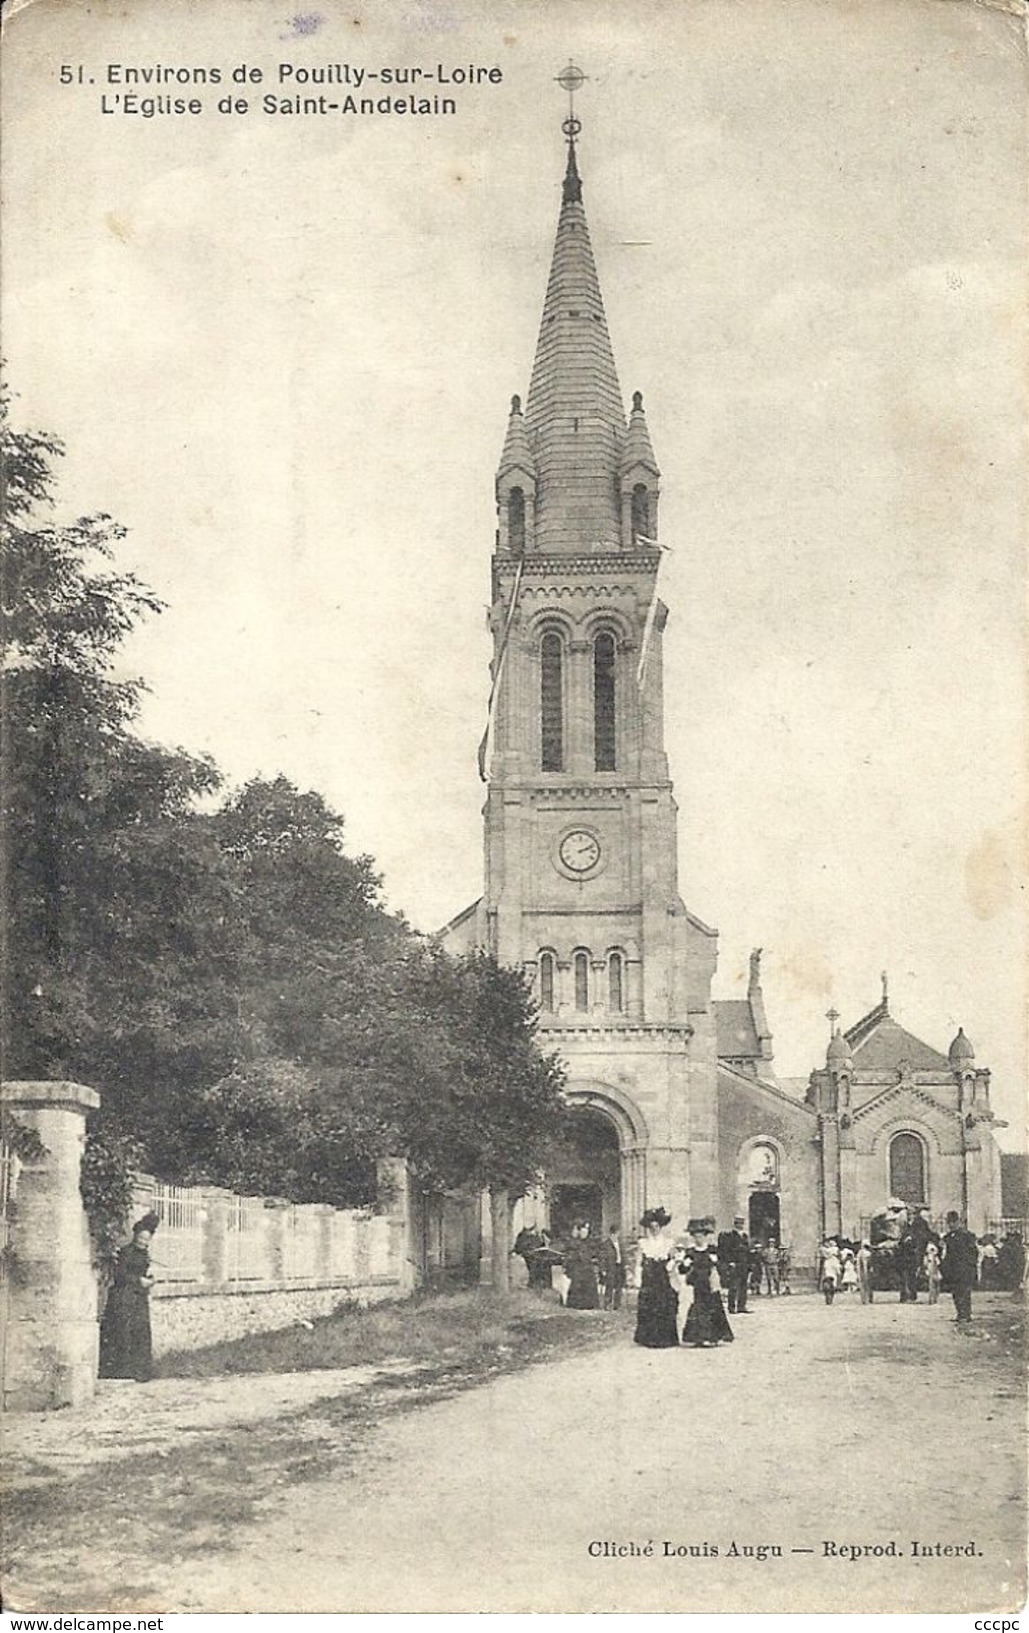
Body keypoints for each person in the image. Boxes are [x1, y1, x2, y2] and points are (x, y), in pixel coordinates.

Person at [99, 1212, 160, 1381]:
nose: (143, 1242)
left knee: (140, 1332)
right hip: (123, 1297)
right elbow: (120, 1275)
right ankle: (121, 1371)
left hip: (138, 1298)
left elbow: (142, 1272)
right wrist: (138, 1280)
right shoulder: (127, 1252)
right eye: (141, 1238)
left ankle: (139, 1372)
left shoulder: (144, 1255)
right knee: (123, 1332)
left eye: (146, 1240)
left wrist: (149, 1279)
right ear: (136, 1236)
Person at [680, 1219, 734, 1348]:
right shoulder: (691, 1252)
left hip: (710, 1283)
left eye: (701, 1236)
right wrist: (685, 1264)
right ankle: (698, 1337)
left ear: (705, 1236)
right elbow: (682, 1270)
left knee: (713, 1307)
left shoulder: (712, 1250)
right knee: (699, 1308)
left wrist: (716, 1262)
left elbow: (722, 1267)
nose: (698, 1239)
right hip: (698, 1284)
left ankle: (712, 1336)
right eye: (696, 1237)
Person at [633, 1207, 680, 1347]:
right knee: (648, 1305)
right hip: (649, 1277)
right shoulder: (643, 1243)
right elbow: (638, 1261)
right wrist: (637, 1277)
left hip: (662, 1277)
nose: (654, 1229)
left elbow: (675, 1257)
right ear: (648, 1228)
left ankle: (665, 1338)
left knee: (664, 1305)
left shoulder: (668, 1243)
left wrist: (671, 1265)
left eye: (657, 1227)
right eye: (651, 1227)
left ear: (661, 1227)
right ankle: (648, 1338)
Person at [941, 1210, 980, 1327]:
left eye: (953, 1222)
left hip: (964, 1268)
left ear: (959, 1222)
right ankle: (960, 1314)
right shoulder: (947, 1238)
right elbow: (947, 1254)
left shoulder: (968, 1236)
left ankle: (966, 1315)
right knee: (955, 1292)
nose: (951, 1225)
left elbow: (974, 1252)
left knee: (964, 1291)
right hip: (952, 1269)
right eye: (949, 1223)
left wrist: (970, 1264)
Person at [562, 1220, 601, 1309]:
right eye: (583, 1231)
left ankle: (589, 1304)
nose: (584, 1233)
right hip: (578, 1267)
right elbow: (569, 1254)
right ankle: (576, 1304)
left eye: (586, 1231)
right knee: (577, 1285)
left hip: (587, 1267)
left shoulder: (590, 1242)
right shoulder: (574, 1242)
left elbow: (594, 1252)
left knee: (589, 1285)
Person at [716, 1217, 751, 1315]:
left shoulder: (744, 1236)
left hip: (744, 1265)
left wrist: (749, 1264)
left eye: (742, 1224)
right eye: (738, 1224)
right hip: (735, 1264)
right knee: (734, 1286)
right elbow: (726, 1251)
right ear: (735, 1224)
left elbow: (747, 1251)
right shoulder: (730, 1236)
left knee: (744, 1286)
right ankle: (731, 1307)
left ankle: (741, 1306)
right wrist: (730, 1262)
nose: (740, 1225)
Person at [599, 1223, 626, 1311]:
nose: (616, 1236)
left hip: (619, 1266)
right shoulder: (605, 1244)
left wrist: (626, 1264)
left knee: (619, 1286)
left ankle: (617, 1304)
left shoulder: (620, 1243)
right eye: (614, 1234)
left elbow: (623, 1254)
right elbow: (602, 1257)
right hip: (610, 1267)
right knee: (609, 1285)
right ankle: (607, 1303)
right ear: (611, 1234)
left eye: (617, 1233)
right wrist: (603, 1269)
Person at [819, 1238, 842, 1305]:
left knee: (830, 1282)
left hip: (830, 1269)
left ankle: (829, 1296)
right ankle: (829, 1296)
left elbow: (825, 1251)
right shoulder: (833, 1258)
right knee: (831, 1283)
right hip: (831, 1270)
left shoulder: (831, 1254)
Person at [923, 1239, 942, 1305]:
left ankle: (935, 1298)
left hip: (936, 1271)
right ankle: (931, 1299)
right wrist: (926, 1270)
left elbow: (939, 1264)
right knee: (931, 1286)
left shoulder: (936, 1257)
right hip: (930, 1271)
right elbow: (925, 1264)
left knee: (937, 1285)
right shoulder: (927, 1257)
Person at [856, 1239, 874, 1304]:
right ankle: (869, 1299)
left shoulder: (859, 1253)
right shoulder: (868, 1253)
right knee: (868, 1285)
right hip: (867, 1270)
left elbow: (858, 1263)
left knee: (862, 1285)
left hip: (860, 1270)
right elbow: (869, 1263)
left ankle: (863, 1299)